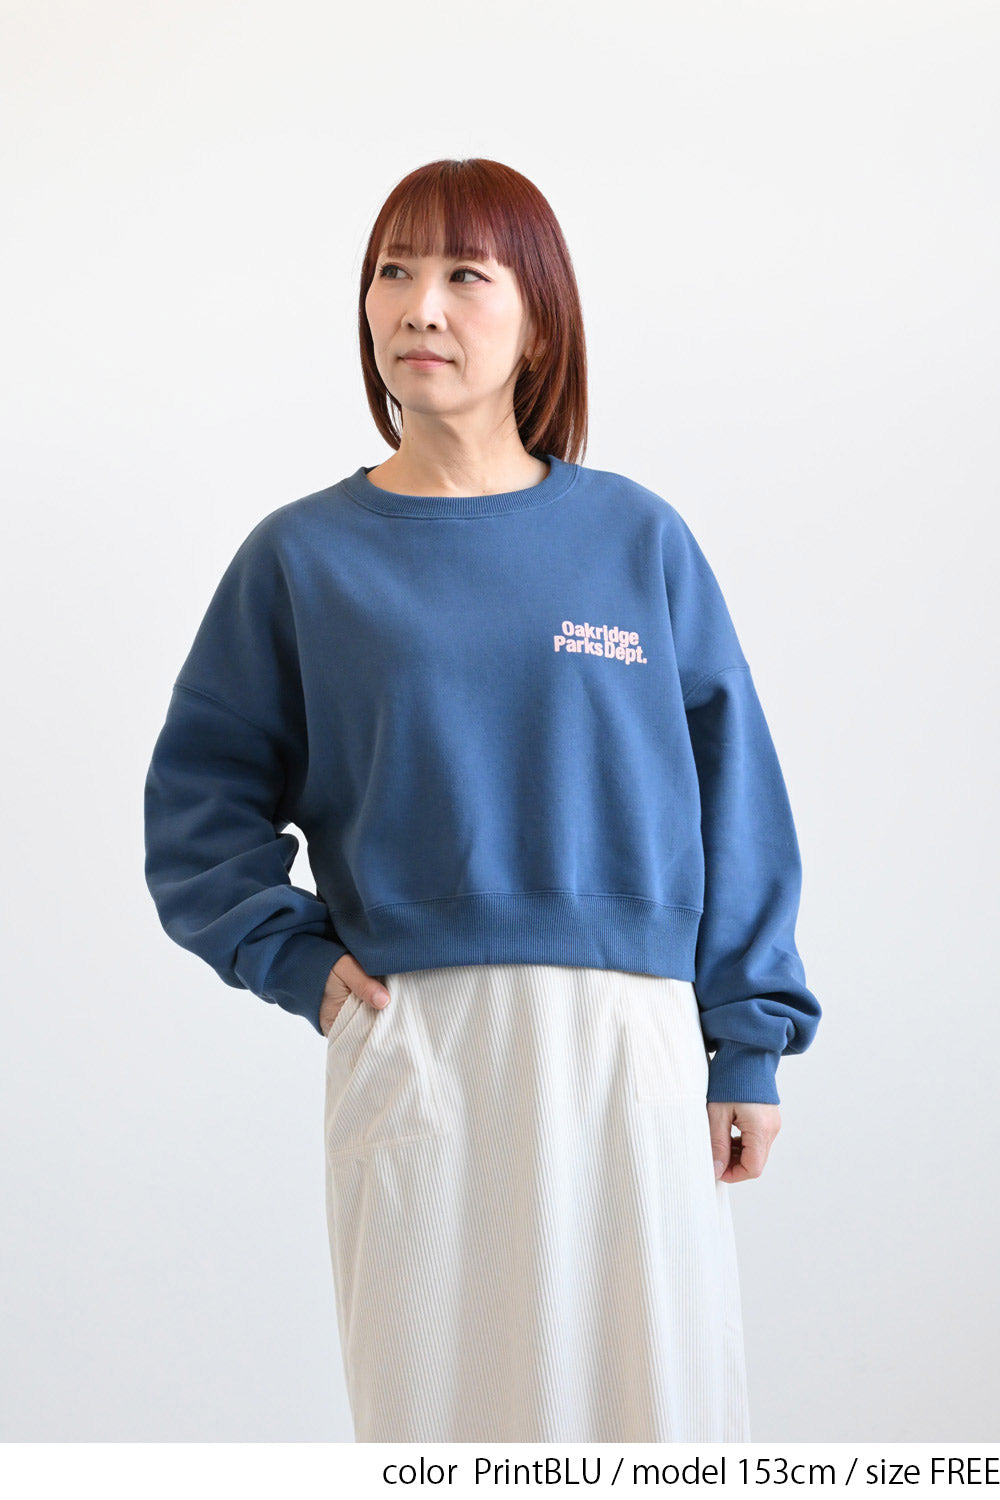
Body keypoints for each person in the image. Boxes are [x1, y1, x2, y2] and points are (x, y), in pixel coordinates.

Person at [143, 157, 822, 1444]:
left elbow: (736, 798)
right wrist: (295, 960)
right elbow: (197, 805)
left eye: (465, 274)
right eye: (392, 272)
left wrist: (748, 1041)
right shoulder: (302, 559)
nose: (420, 307)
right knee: (444, 1422)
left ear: (539, 321)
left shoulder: (635, 540)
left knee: (658, 1417)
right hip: (420, 1041)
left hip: (630, 1044)